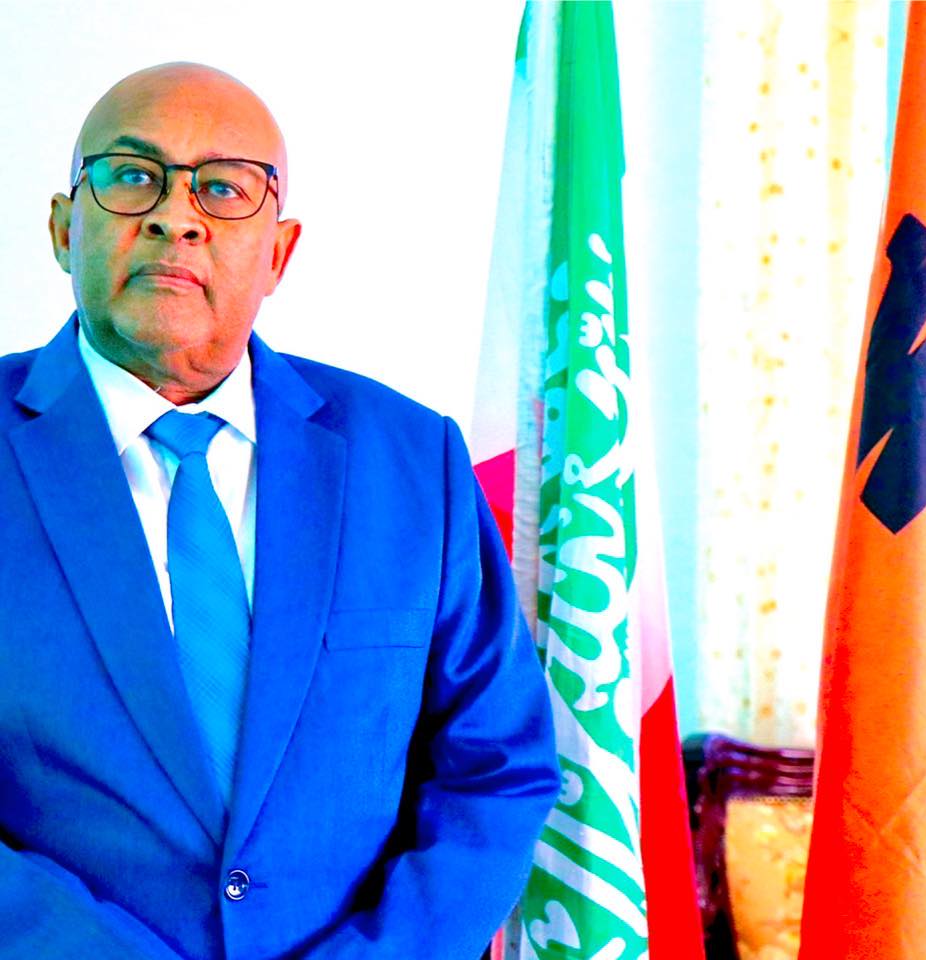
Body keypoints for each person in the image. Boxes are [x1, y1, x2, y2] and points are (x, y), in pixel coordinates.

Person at [0, 62, 560, 959]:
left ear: (279, 253)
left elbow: (495, 768)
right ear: (65, 229)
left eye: (223, 189)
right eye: (132, 176)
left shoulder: (411, 460)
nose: (175, 217)